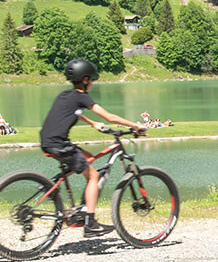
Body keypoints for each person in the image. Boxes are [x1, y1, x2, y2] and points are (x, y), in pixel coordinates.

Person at [39, 59, 149, 237]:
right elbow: (109, 117)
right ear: (85, 79)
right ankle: (90, 222)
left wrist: (92, 123)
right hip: (60, 144)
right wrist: (135, 126)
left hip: (48, 141)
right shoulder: (81, 96)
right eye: (91, 79)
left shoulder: (65, 95)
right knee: (94, 176)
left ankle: (64, 194)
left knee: (88, 158)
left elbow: (73, 114)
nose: (92, 82)